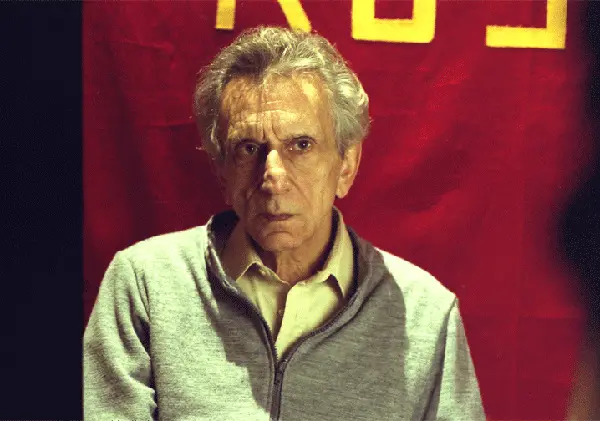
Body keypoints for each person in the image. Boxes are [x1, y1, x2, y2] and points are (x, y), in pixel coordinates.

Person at [83, 26, 485, 420]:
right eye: (249, 148)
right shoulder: (145, 285)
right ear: (222, 171)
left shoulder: (427, 316)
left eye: (301, 145)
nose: (272, 176)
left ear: (346, 165)